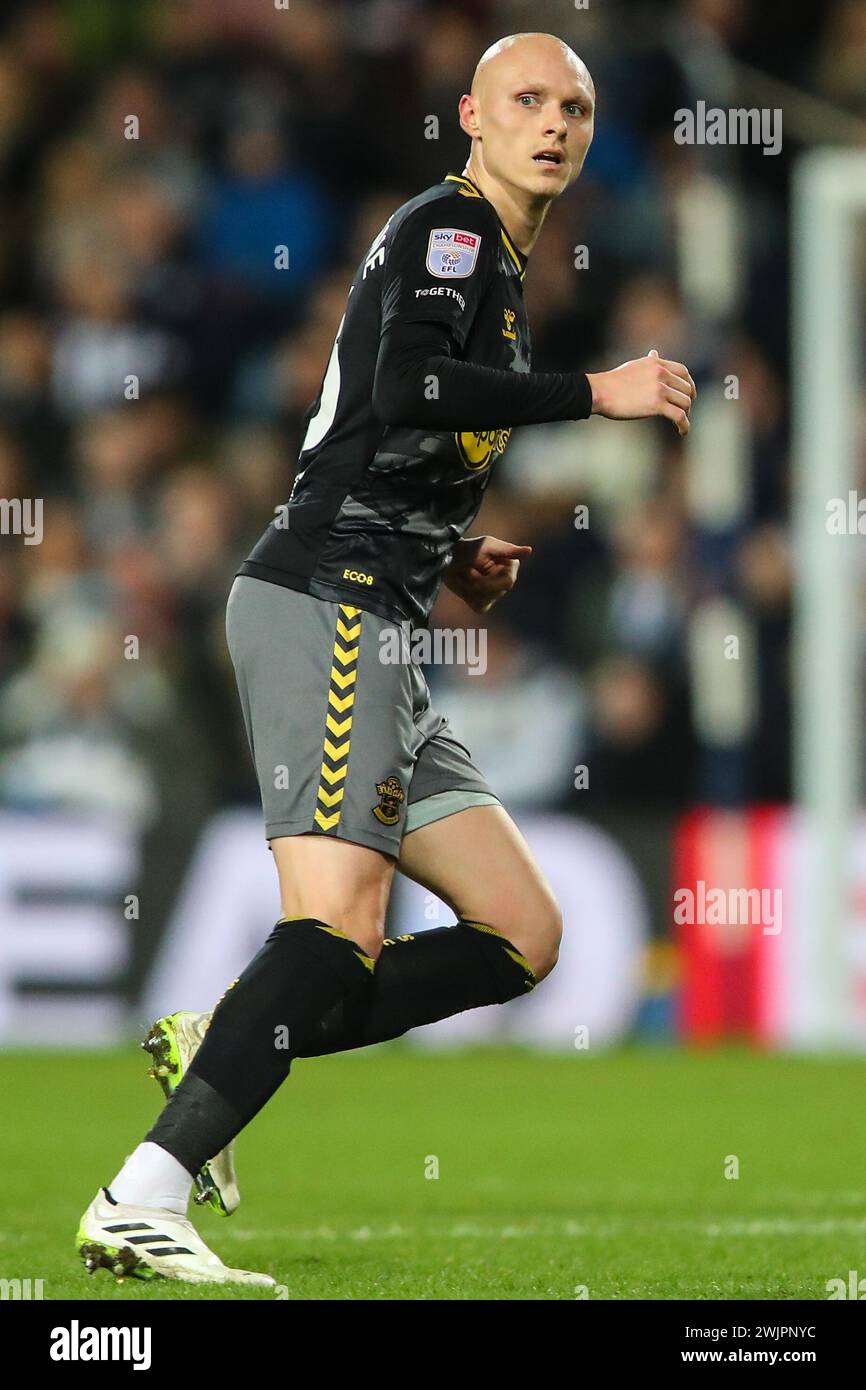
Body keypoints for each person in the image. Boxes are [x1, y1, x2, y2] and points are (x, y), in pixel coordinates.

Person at [76, 30, 695, 1285]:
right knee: (337, 929)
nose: (554, 124)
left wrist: (453, 546)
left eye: (573, 107)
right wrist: (596, 393)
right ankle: (142, 1193)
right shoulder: (454, 231)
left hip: (387, 608)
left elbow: (366, 415)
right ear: (470, 114)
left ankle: (229, 1034)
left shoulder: (494, 265)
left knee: (522, 931)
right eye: (525, 99)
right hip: (328, 599)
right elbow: (413, 381)